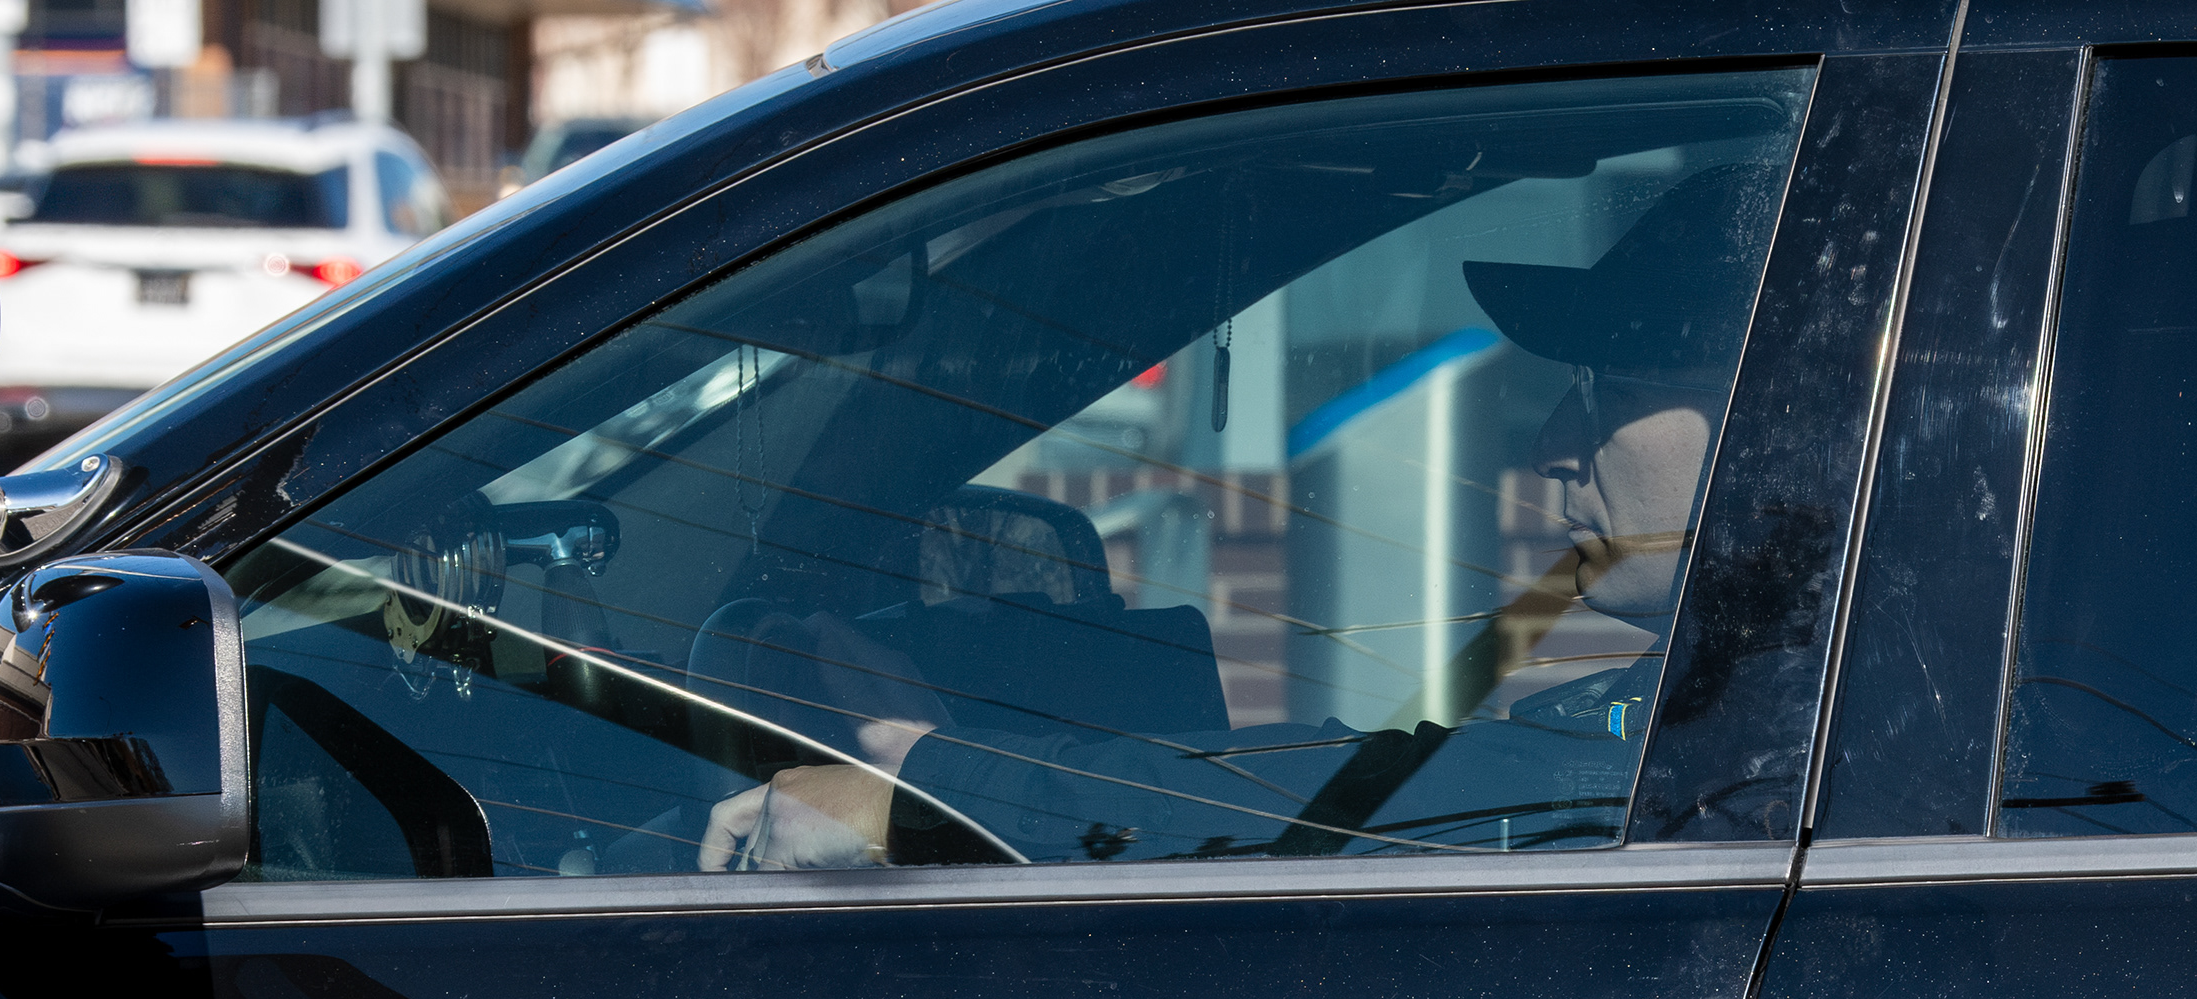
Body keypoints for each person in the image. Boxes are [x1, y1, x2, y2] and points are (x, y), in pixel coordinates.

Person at [661, 153, 1779, 870]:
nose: (1551, 449)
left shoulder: (1773, 718)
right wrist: (939, 769)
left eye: (1608, 392)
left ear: (1782, 416)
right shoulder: (1767, 701)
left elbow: (1380, 805)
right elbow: (1392, 788)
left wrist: (923, 788)